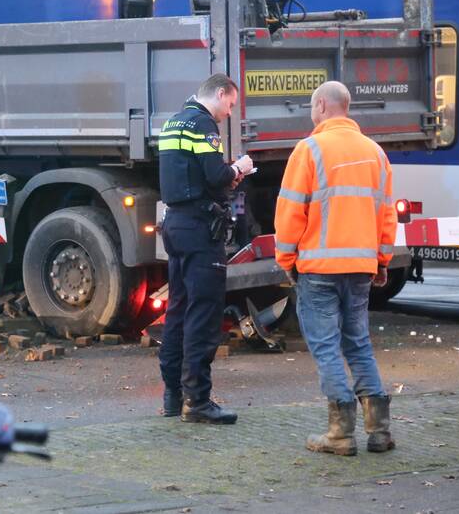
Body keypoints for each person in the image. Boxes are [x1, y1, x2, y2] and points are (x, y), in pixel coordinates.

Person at [274, 81, 397, 457]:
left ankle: (341, 433)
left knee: (326, 346)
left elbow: (291, 211)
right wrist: (382, 260)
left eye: (312, 107)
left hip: (319, 268)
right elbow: (387, 214)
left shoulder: (309, 150)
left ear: (323, 106)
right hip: (360, 267)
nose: (312, 114)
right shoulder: (375, 153)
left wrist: (286, 259)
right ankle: (379, 430)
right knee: (358, 342)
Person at [157, 73, 253, 425]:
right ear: (219, 93)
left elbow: (189, 174)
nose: (229, 112)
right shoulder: (202, 125)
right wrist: (239, 168)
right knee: (204, 312)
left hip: (175, 224)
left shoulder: (173, 122)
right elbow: (215, 176)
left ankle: (173, 395)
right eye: (230, 104)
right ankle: (197, 400)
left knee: (178, 309)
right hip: (200, 229)